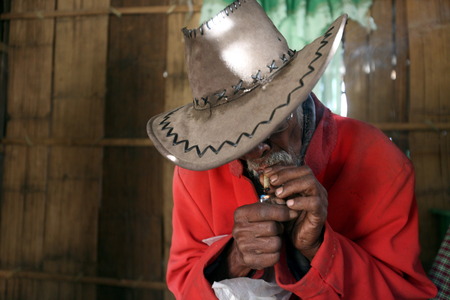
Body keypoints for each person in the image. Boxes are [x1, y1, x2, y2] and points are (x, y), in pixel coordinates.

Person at [147, 0, 438, 299]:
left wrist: (318, 247)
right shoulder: (196, 171)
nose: (258, 149)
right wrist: (234, 259)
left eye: (274, 127)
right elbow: (183, 283)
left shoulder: (379, 160)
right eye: (237, 141)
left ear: (298, 96)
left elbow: (406, 294)